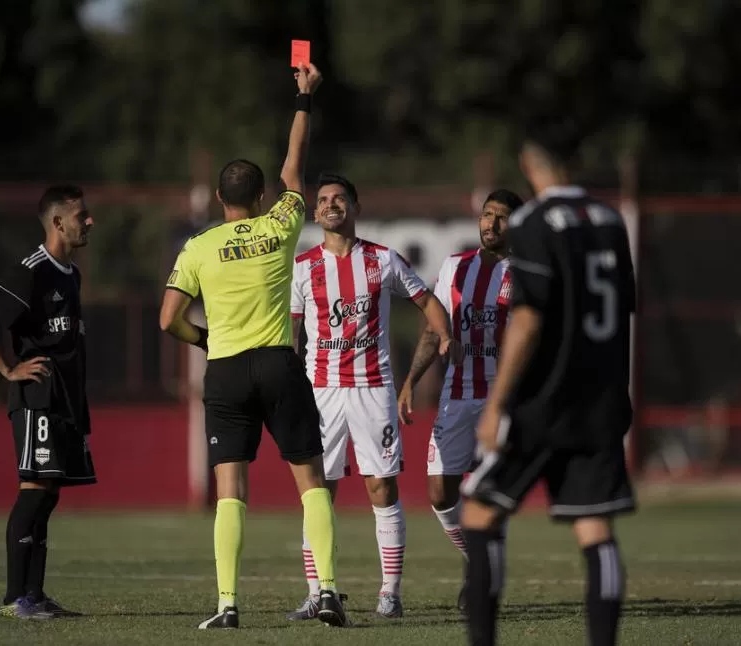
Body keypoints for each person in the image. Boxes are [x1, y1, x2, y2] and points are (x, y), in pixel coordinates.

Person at [159, 63, 350, 630]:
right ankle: (329, 593)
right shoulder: (280, 226)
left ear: (220, 196)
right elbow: (296, 166)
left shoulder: (198, 246)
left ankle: (227, 604)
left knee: (230, 490)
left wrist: (204, 339)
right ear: (263, 195)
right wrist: (303, 97)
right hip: (277, 362)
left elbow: (168, 318)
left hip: (225, 370)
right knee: (310, 481)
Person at [460, 121, 636, 646]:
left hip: (542, 400)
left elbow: (530, 320)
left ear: (532, 166)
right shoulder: (610, 219)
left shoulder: (534, 221)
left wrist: (498, 404)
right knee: (596, 530)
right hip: (599, 400)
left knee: (479, 510)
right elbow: (622, 312)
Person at [287, 173, 458, 620]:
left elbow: (427, 300)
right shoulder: (303, 267)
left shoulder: (383, 260)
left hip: (372, 390)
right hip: (320, 392)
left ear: (355, 208)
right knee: (318, 493)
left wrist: (444, 333)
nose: (330, 205)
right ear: (315, 211)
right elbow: (290, 335)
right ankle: (318, 590)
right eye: (322, 200)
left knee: (380, 486)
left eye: (339, 198)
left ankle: (390, 592)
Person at [0, 185, 96, 620]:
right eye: (82, 215)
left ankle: (35, 595)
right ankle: (13, 599)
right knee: (34, 490)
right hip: (37, 397)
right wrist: (8, 369)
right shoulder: (33, 268)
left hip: (64, 398)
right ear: (58, 222)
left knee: (49, 493)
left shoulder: (71, 273)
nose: (89, 221)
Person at [396, 188, 523, 613]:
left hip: (501, 400)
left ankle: (480, 577)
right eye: (488, 215)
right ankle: (479, 560)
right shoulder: (455, 267)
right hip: (456, 395)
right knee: (439, 490)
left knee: (487, 493)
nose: (492, 223)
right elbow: (435, 329)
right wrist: (412, 379)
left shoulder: (525, 272)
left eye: (502, 217)